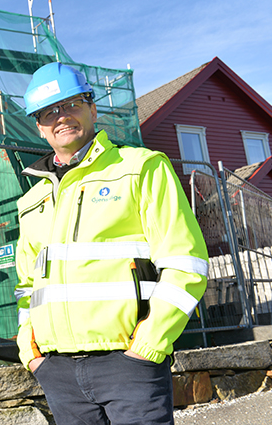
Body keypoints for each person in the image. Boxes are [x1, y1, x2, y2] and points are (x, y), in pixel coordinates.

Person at [14, 63, 209, 425]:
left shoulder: (141, 168)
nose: (62, 116)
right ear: (39, 127)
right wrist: (31, 353)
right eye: (50, 111)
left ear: (92, 108)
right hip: (57, 371)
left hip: (129, 365)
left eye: (72, 103)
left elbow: (187, 263)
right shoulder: (31, 200)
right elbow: (28, 286)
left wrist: (148, 344)